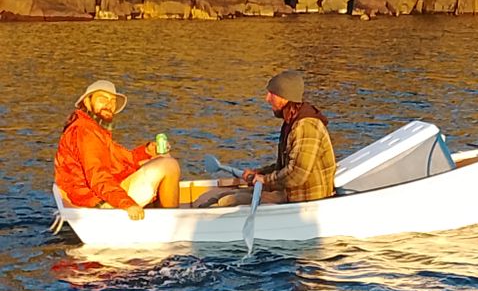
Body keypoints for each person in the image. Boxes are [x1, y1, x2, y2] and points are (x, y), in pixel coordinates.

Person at [196, 69, 336, 208]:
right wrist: (260, 173)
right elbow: (284, 167)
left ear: (285, 97)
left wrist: (264, 180)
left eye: (272, 94)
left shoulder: (306, 126)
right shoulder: (292, 122)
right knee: (220, 197)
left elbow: (297, 174)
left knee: (226, 202)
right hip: (288, 193)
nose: (267, 98)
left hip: (303, 201)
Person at [54, 78, 181, 220]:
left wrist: (147, 151)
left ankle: (158, 210)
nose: (108, 105)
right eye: (102, 99)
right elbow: (98, 177)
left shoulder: (93, 128)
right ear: (87, 102)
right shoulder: (86, 131)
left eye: (112, 101)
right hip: (94, 203)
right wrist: (126, 203)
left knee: (162, 158)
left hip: (88, 196)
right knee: (169, 165)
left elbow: (122, 159)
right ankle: (172, 223)